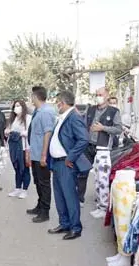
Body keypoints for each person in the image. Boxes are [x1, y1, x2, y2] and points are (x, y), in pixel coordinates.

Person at [47, 91, 90, 241]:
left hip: (67, 163)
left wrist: (71, 156)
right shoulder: (62, 117)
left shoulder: (74, 117)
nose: (56, 105)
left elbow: (84, 139)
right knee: (59, 196)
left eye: (57, 102)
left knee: (70, 197)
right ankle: (64, 223)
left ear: (63, 102)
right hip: (57, 163)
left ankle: (75, 227)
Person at [78, 87, 122, 218]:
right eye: (97, 94)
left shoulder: (114, 111)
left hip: (103, 148)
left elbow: (118, 129)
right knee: (91, 176)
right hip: (89, 146)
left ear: (107, 95)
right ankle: (92, 202)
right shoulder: (90, 109)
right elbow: (83, 123)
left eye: (101, 94)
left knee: (102, 178)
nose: (98, 97)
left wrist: (103, 128)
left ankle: (103, 207)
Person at [27, 86, 56, 223]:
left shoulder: (45, 112)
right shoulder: (38, 111)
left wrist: (44, 155)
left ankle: (45, 212)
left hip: (41, 155)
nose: (30, 98)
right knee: (38, 182)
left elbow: (47, 133)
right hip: (35, 153)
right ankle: (40, 206)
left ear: (35, 97)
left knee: (44, 183)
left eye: (32, 96)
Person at [6, 100, 32, 199]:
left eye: (19, 105)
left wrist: (21, 133)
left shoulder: (28, 118)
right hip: (13, 147)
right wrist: (7, 131)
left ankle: (24, 189)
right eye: (15, 106)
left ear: (23, 107)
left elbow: (29, 132)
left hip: (24, 147)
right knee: (16, 168)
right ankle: (17, 188)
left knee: (24, 169)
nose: (17, 108)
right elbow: (7, 130)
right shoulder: (12, 119)